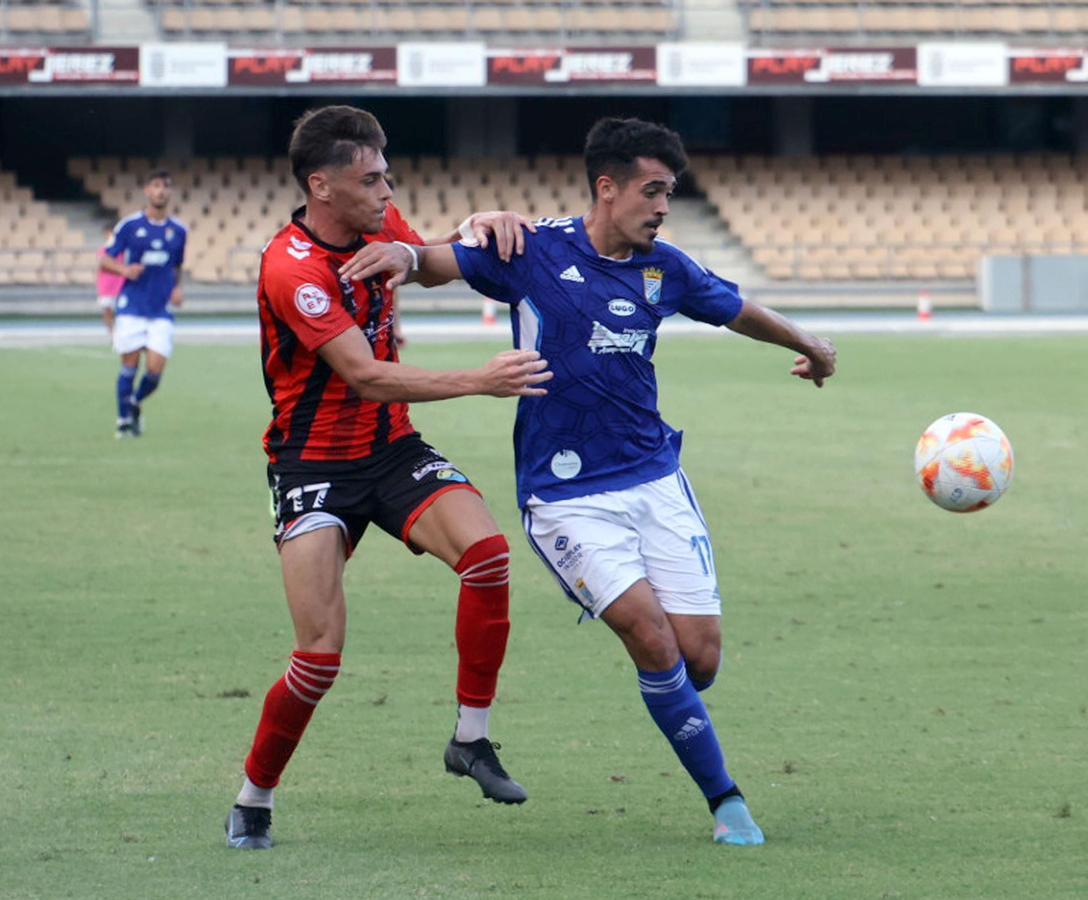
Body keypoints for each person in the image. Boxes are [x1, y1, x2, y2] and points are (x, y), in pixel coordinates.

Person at [340, 117, 839, 846]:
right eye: (653, 190)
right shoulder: (531, 251)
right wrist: (406, 255)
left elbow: (737, 311)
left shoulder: (664, 267)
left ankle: (666, 692)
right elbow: (435, 264)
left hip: (655, 478)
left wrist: (811, 344)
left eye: (670, 191)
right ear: (606, 188)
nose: (664, 205)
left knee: (696, 658)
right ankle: (727, 801)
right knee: (652, 639)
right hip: (565, 494)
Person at [225, 105, 552, 850]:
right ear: (322, 185)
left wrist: (481, 223)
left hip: (392, 450)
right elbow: (366, 375)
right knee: (318, 657)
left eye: (387, 175)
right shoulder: (294, 267)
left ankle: (471, 739)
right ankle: (254, 798)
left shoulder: (379, 223)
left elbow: (432, 263)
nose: (386, 189)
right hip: (313, 466)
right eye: (370, 179)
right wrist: (479, 379)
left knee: (488, 554)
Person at [99, 170, 185, 438]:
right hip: (132, 306)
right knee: (129, 364)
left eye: (165, 186)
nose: (160, 191)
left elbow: (177, 266)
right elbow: (105, 260)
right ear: (147, 190)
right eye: (156, 186)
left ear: (170, 192)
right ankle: (123, 420)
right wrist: (124, 270)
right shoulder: (129, 226)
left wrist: (176, 288)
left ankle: (134, 403)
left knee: (155, 371)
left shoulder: (179, 231)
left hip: (160, 310)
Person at [95, 220, 125, 337]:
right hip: (107, 285)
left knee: (121, 311)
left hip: (120, 284)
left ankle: (121, 333)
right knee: (108, 310)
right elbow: (103, 264)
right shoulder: (103, 250)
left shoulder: (122, 250)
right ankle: (112, 334)